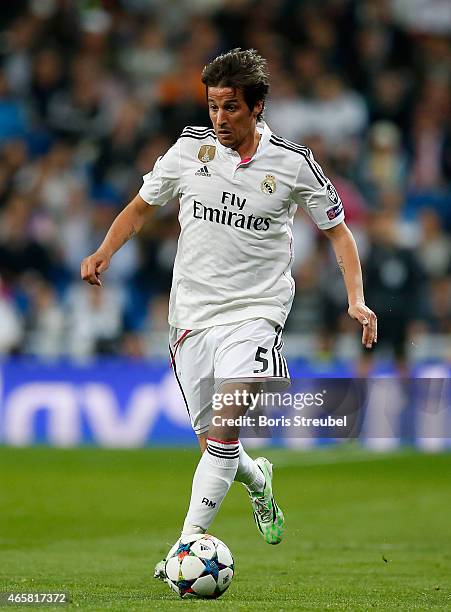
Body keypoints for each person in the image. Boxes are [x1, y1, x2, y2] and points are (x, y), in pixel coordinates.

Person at [81, 49, 377, 575]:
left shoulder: (292, 163)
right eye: (213, 106)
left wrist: (356, 299)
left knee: (223, 431)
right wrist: (104, 251)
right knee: (216, 443)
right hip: (191, 315)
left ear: (256, 107)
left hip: (257, 313)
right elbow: (141, 207)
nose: (219, 118)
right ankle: (259, 480)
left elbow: (339, 231)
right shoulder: (187, 151)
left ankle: (187, 545)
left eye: (231, 107)